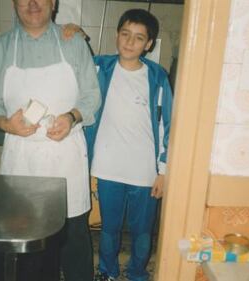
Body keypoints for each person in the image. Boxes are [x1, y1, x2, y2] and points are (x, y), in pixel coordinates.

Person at [0, 0, 101, 281]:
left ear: (53, 2)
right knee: (24, 237)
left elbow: (92, 95)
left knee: (73, 239)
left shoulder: (73, 43)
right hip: (22, 157)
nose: (32, 4)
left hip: (65, 155)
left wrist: (71, 117)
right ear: (14, 3)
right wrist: (5, 122)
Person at [64, 8, 173, 281]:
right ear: (117, 35)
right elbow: (75, 63)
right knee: (109, 228)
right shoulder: (101, 66)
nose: (129, 42)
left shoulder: (157, 76)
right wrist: (78, 35)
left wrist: (163, 171)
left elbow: (167, 125)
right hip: (108, 166)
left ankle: (137, 274)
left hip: (145, 171)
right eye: (125, 34)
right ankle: (108, 272)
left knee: (142, 231)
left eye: (138, 38)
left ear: (148, 44)